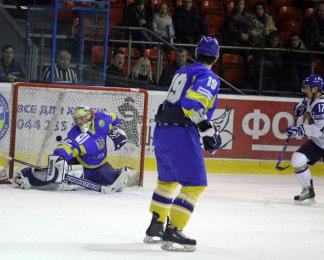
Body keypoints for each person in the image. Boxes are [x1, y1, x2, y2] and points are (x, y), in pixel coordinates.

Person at [143, 36, 222, 252]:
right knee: (195, 184)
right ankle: (174, 230)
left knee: (167, 181)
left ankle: (156, 225)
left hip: (162, 130)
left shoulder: (181, 72)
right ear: (216, 57)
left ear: (196, 54)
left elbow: (179, 100)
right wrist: (206, 129)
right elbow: (192, 103)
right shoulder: (209, 77)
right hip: (180, 131)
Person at [12, 106, 130, 192]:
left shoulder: (102, 120)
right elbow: (63, 148)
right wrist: (60, 158)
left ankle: (114, 171)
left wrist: (118, 129)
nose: (79, 122)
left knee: (118, 186)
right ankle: (26, 176)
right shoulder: (75, 134)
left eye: (82, 118)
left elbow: (114, 118)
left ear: (90, 116)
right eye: (77, 119)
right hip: (82, 167)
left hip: (102, 166)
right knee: (58, 183)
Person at [286, 74, 324, 203]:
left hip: (320, 138)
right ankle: (308, 190)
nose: (304, 90)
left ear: (315, 89)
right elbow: (301, 105)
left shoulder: (320, 105)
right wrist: (299, 108)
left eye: (307, 88)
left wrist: (299, 130)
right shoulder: (311, 99)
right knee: (298, 159)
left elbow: (320, 129)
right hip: (318, 143)